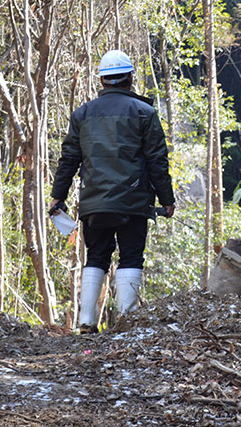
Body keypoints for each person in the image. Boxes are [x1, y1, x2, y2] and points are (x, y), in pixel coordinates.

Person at [49, 49, 175, 334]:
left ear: (102, 81)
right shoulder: (145, 113)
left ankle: (86, 322)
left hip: (94, 203)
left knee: (96, 256)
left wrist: (59, 196)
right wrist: (167, 200)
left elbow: (69, 159)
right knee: (131, 257)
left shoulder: (82, 114)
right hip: (133, 203)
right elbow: (157, 161)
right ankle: (126, 325)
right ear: (131, 77)